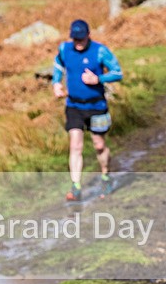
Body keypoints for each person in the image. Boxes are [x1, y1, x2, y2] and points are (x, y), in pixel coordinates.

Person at [52, 19, 123, 201]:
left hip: (96, 106)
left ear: (88, 36)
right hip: (74, 105)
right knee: (75, 145)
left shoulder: (99, 51)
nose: (78, 43)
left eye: (81, 39)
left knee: (99, 145)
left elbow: (117, 72)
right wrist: (56, 83)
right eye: (75, 40)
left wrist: (98, 79)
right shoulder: (64, 49)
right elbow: (58, 64)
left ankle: (106, 176)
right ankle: (75, 186)